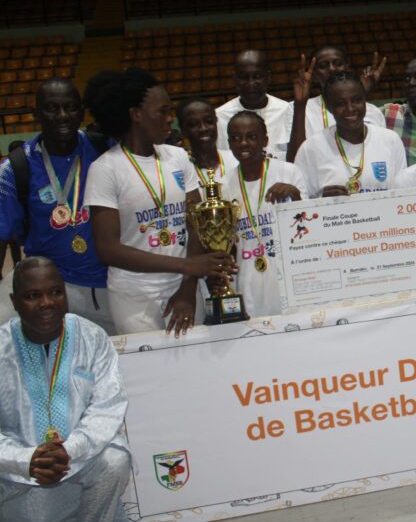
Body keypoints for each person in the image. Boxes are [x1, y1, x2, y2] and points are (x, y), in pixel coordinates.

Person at [83, 69, 235, 335]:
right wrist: (186, 266)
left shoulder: (177, 158)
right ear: (136, 114)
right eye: (163, 111)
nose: (170, 120)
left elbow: (195, 225)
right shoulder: (105, 169)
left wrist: (187, 287)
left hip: (184, 288)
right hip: (134, 296)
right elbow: (108, 249)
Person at [0, 257, 130, 522]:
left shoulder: (91, 336)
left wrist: (69, 450)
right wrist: (27, 459)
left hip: (79, 462)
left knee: (115, 459)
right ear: (15, 301)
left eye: (55, 292)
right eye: (33, 296)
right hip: (17, 476)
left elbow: (107, 408)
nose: (47, 302)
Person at [0, 79, 113, 334]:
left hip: (105, 285)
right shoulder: (15, 168)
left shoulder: (104, 150)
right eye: (52, 108)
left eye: (71, 107)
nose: (62, 116)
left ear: (81, 112)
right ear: (37, 113)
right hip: (44, 288)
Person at [222, 112, 308, 318]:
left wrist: (294, 195)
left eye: (251, 137)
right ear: (229, 143)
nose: (243, 143)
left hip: (288, 281)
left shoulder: (289, 172)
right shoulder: (223, 186)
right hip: (247, 283)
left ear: (265, 140)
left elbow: (309, 228)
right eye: (236, 138)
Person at [295, 72, 406, 198]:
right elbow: (301, 205)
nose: (350, 109)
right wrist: (322, 202)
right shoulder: (311, 148)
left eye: (357, 100)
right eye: (340, 104)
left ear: (365, 100)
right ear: (329, 107)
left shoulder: (390, 140)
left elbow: (402, 196)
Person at [288, 46, 387, 161]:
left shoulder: (373, 112)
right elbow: (295, 162)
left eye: (338, 63)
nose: (332, 69)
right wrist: (300, 106)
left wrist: (360, 92)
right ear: (314, 74)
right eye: (323, 66)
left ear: (347, 67)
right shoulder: (297, 109)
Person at [215, 50, 294, 160]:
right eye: (244, 77)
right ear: (235, 80)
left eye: (257, 76)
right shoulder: (219, 117)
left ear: (268, 77)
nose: (251, 83)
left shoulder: (287, 111)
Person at [177, 97, 238, 191]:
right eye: (193, 124)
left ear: (216, 122)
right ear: (183, 131)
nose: (203, 128)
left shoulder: (236, 160)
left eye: (209, 121)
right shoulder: (180, 169)